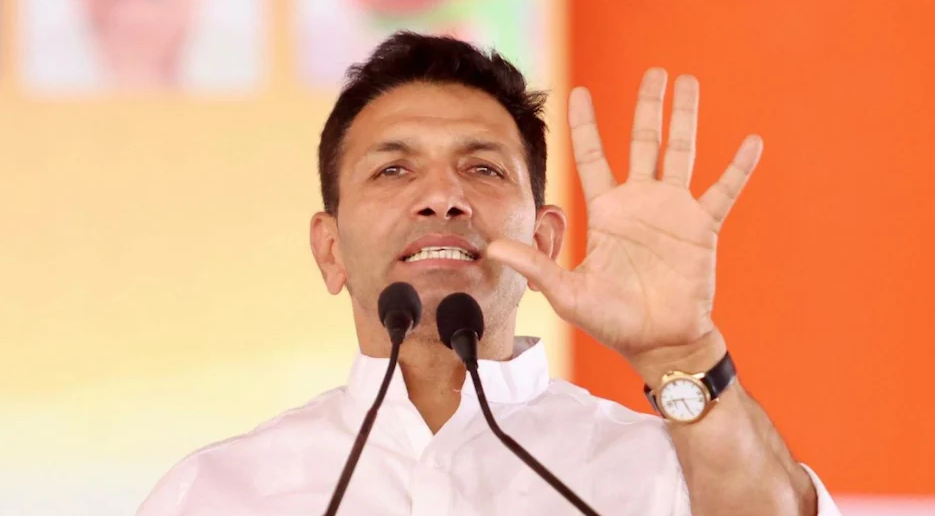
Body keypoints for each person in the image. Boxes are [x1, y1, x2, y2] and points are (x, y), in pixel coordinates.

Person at [136, 31, 841, 515]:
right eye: (393, 169)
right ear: (330, 251)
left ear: (544, 240)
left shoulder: (668, 473)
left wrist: (680, 354)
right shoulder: (215, 493)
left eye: (482, 168)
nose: (442, 197)